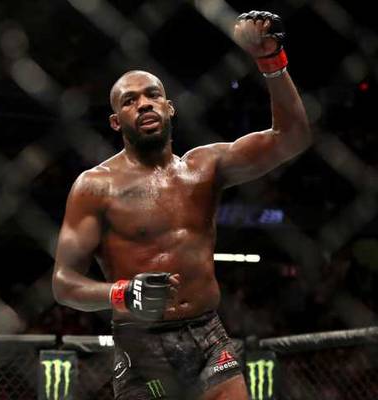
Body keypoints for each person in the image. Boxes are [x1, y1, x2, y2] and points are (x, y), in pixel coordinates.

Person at [52, 10, 311, 400]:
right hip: (142, 343)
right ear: (116, 121)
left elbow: (292, 137)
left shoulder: (205, 167)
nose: (144, 104)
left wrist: (270, 61)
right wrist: (121, 292)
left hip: (209, 336)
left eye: (152, 95)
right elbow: (64, 283)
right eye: (130, 101)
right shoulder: (95, 186)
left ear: (169, 107)